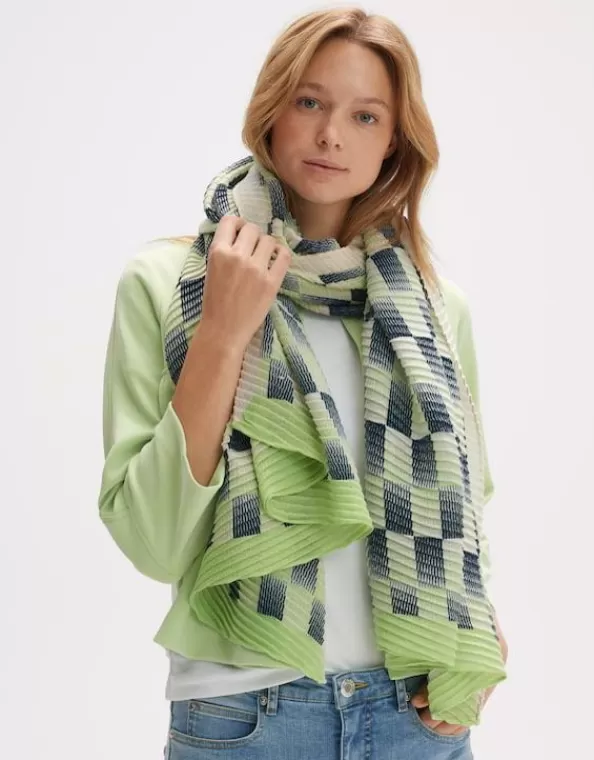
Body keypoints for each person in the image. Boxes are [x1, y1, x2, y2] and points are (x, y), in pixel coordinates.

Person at [98, 7, 508, 759]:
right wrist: (224, 330)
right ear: (271, 110)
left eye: (365, 115)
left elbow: (464, 508)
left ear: (395, 141)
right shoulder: (166, 283)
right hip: (245, 716)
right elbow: (154, 542)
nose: (330, 135)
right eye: (310, 101)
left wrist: (477, 635)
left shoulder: (434, 307)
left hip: (416, 713)